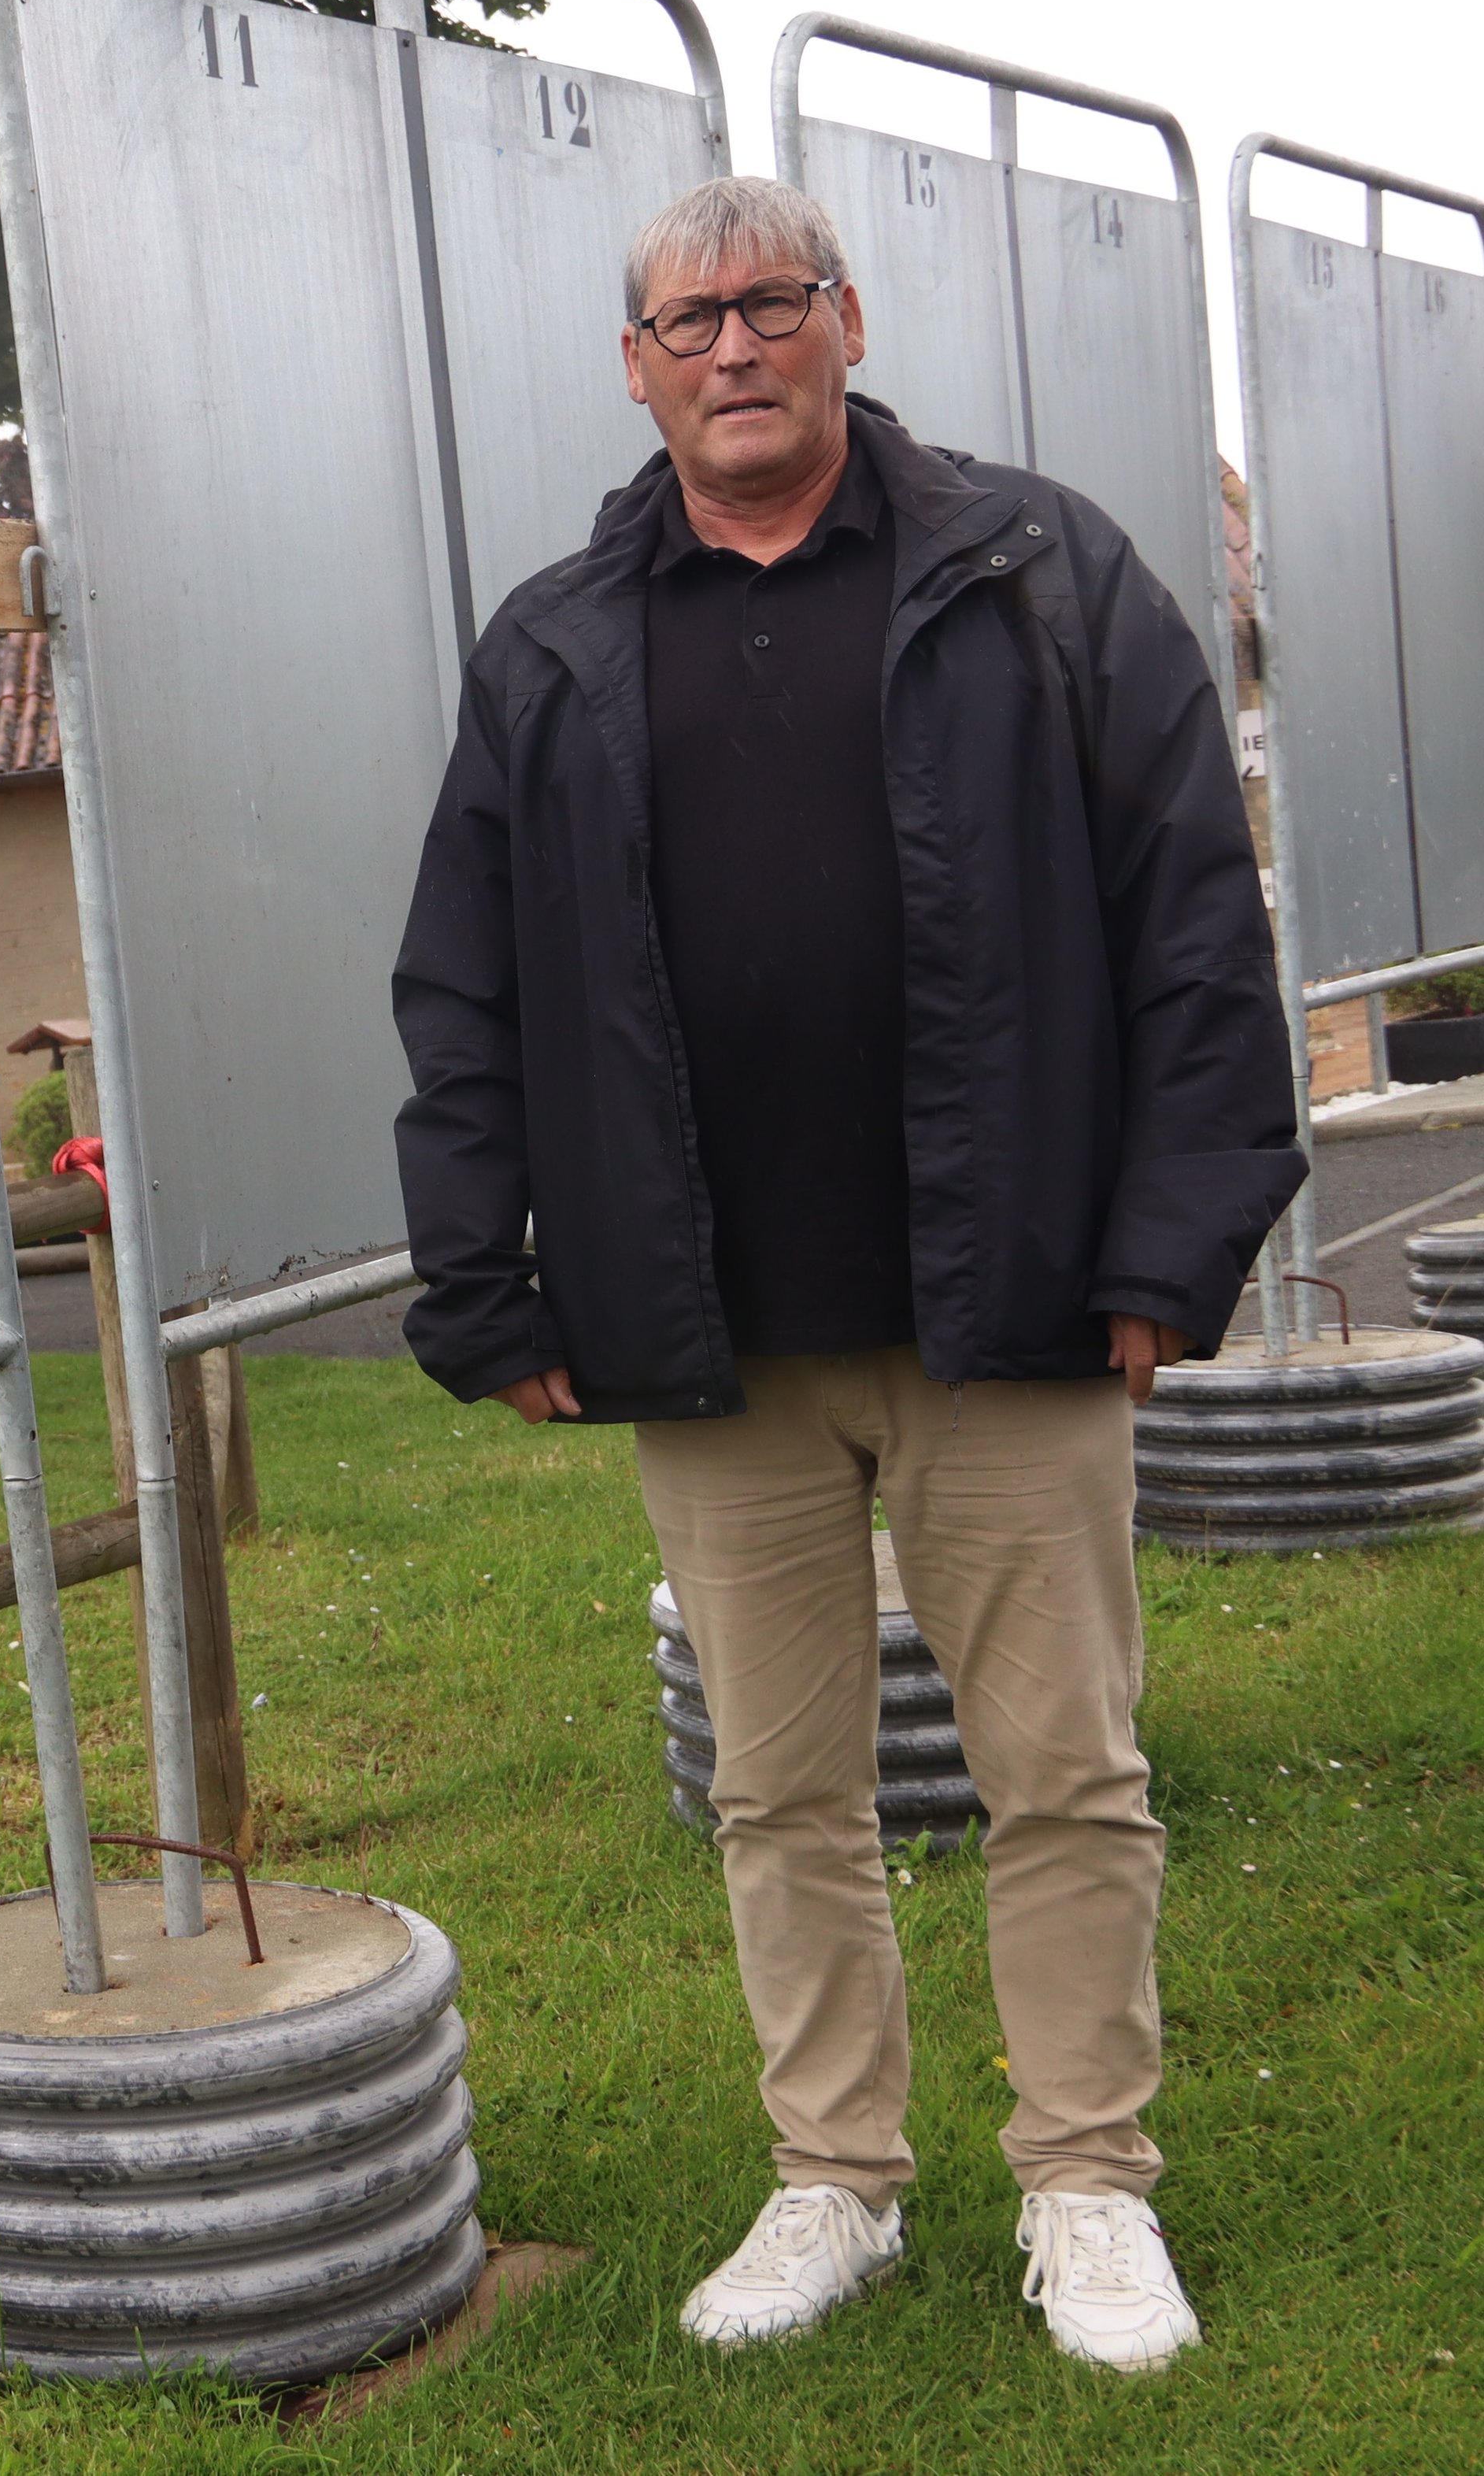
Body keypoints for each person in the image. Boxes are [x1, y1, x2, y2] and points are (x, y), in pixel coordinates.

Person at [389, 175, 1302, 2373]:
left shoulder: (1043, 577)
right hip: (710, 1337)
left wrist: (1176, 1248)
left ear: (845, 322)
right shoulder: (554, 647)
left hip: (1020, 1309)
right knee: (778, 1790)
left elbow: (1194, 922)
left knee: (1061, 1772)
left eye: (772, 302)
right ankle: (836, 2180)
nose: (733, 345)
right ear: (635, 367)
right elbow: (467, 987)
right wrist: (482, 1279)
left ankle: (1089, 2183)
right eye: (688, 317)